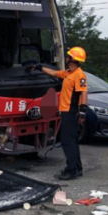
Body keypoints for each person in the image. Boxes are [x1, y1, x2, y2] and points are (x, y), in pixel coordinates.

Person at [29, 47, 88, 180]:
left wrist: (83, 109)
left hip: (71, 112)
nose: (66, 58)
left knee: (67, 141)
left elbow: (83, 91)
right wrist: (40, 67)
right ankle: (77, 168)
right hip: (66, 111)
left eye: (68, 56)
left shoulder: (79, 74)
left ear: (73, 59)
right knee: (72, 141)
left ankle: (71, 170)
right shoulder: (68, 73)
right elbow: (55, 73)